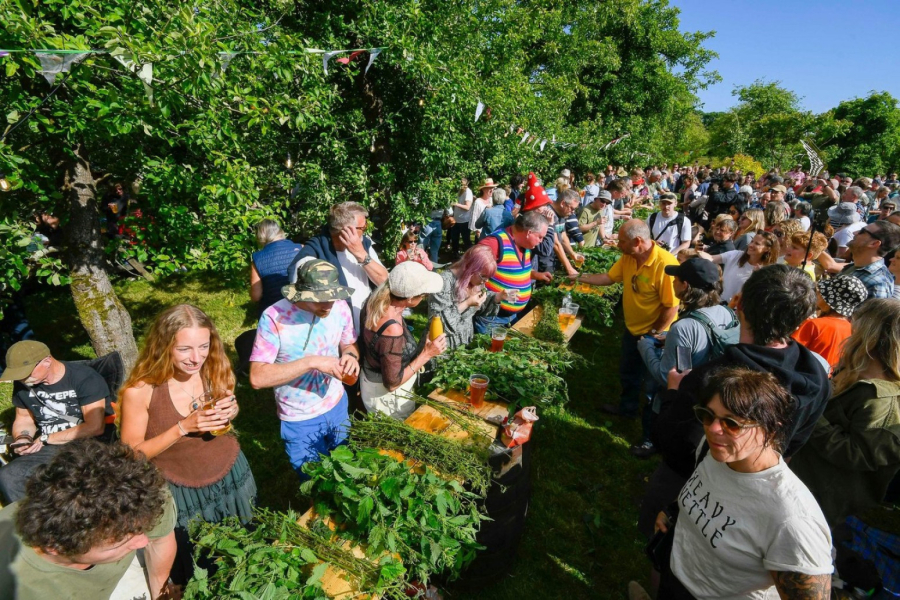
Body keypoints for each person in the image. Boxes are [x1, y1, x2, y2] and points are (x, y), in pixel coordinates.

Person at [648, 265, 830, 541]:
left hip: (694, 487)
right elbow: (794, 443)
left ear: (739, 303)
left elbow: (673, 443)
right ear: (801, 318)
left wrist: (674, 392)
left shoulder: (715, 377)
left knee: (666, 547)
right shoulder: (815, 373)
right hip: (755, 495)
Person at [640, 367, 832, 600]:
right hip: (675, 579)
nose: (713, 429)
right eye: (708, 415)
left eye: (732, 423)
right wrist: (673, 509)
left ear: (770, 430)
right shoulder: (715, 451)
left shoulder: (793, 520)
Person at [119, 304, 256, 585]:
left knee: (248, 548)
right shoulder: (141, 390)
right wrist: (182, 427)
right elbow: (131, 454)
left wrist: (232, 410)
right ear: (164, 345)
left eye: (203, 346)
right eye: (184, 349)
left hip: (231, 474)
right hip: (183, 491)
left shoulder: (214, 367)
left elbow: (228, 404)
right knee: (201, 564)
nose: (196, 358)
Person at [0, 439, 178, 600]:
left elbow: (159, 541)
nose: (143, 541)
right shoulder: (15, 583)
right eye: (120, 542)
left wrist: (159, 594)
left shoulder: (137, 497)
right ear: (56, 547)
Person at [790, 299, 900, 525]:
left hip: (826, 511)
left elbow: (858, 455)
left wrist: (813, 412)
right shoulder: (854, 373)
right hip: (803, 491)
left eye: (856, 324)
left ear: (871, 334)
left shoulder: (882, 398)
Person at [250, 260, 359, 478]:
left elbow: (349, 344)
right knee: (316, 481)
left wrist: (351, 356)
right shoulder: (274, 317)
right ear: (301, 294)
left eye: (332, 297)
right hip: (300, 419)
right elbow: (257, 377)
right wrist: (312, 362)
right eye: (321, 299)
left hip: (338, 405)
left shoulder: (340, 306)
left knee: (348, 472)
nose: (328, 305)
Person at [576, 220, 680, 444]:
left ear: (637, 241)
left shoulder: (665, 264)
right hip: (633, 330)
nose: (617, 244)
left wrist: (653, 334)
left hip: (657, 337)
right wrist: (578, 277)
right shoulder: (628, 257)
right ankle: (627, 408)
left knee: (653, 386)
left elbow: (671, 307)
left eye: (621, 241)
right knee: (629, 372)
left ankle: (650, 437)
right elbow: (609, 278)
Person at [634, 258, 736, 459]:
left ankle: (651, 442)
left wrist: (645, 346)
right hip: (712, 395)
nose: (672, 282)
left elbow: (668, 377)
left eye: (676, 279)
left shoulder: (683, 327)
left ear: (685, 286)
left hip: (684, 402)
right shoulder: (727, 312)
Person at [0, 341, 112, 504]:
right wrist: (23, 438)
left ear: (46, 361)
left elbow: (95, 427)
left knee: (69, 473)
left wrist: (47, 438)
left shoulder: (84, 377)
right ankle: (32, 520)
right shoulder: (24, 383)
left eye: (25, 372)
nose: (22, 378)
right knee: (9, 475)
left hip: (87, 443)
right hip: (50, 447)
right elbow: (24, 419)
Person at [359, 262, 447, 419]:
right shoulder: (391, 329)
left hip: (370, 381)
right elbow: (392, 383)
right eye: (423, 295)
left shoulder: (375, 300)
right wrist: (427, 354)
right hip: (387, 401)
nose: (424, 298)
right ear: (411, 298)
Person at [287, 202, 388, 331]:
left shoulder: (364, 246)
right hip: (334, 337)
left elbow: (385, 282)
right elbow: (298, 302)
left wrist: (361, 255)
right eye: (363, 228)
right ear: (347, 231)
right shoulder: (311, 257)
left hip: (367, 332)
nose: (365, 231)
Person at [475, 210, 552, 332]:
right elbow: (470, 274)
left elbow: (514, 270)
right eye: (540, 237)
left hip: (512, 317)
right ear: (529, 233)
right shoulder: (494, 243)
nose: (541, 241)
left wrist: (536, 275)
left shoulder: (525, 245)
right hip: (492, 319)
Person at [427, 245, 514, 349]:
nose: (486, 281)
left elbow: (479, 306)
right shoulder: (443, 282)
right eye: (483, 276)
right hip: (442, 345)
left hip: (464, 342)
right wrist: (466, 303)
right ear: (470, 268)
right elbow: (437, 322)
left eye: (488, 277)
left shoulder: (475, 281)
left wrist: (498, 297)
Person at [792, 276, 868, 373]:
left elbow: (790, 353)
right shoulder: (853, 330)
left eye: (822, 293)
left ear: (829, 301)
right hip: (830, 382)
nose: (818, 294)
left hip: (805, 376)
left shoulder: (814, 325)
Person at [250, 218, 303, 316]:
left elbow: (255, 296)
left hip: (274, 312)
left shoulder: (257, 259)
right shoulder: (301, 248)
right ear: (280, 232)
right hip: (301, 307)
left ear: (260, 236)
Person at [841, 219, 900, 300]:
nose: (854, 233)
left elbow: (873, 313)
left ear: (874, 243)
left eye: (862, 231)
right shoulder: (855, 266)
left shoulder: (878, 284)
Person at [449, 178, 474, 255]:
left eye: (462, 182)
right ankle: (455, 254)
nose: (460, 183)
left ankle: (470, 256)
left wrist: (456, 204)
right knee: (454, 238)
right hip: (456, 219)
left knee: (466, 239)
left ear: (466, 182)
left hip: (464, 220)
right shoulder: (459, 191)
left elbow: (467, 207)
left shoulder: (468, 192)